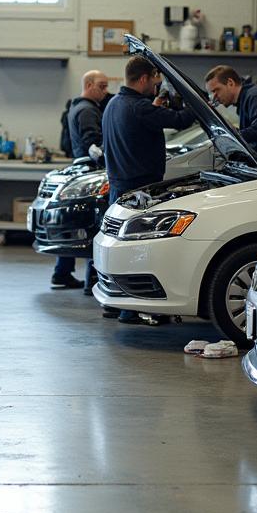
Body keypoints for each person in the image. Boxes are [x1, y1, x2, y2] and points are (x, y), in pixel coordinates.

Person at [102, 55, 194, 322]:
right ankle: (128, 311)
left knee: (112, 244)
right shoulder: (139, 107)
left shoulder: (113, 104)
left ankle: (112, 302)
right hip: (140, 188)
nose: (156, 85)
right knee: (135, 250)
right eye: (154, 80)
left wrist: (157, 105)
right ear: (143, 79)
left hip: (119, 185)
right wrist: (201, 103)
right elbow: (181, 120)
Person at [51, 70, 109, 291]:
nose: (105, 91)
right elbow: (93, 144)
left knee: (73, 223)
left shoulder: (76, 106)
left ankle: (62, 273)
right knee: (92, 225)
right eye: (101, 86)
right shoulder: (87, 111)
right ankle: (91, 281)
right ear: (88, 84)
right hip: (91, 172)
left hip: (80, 169)